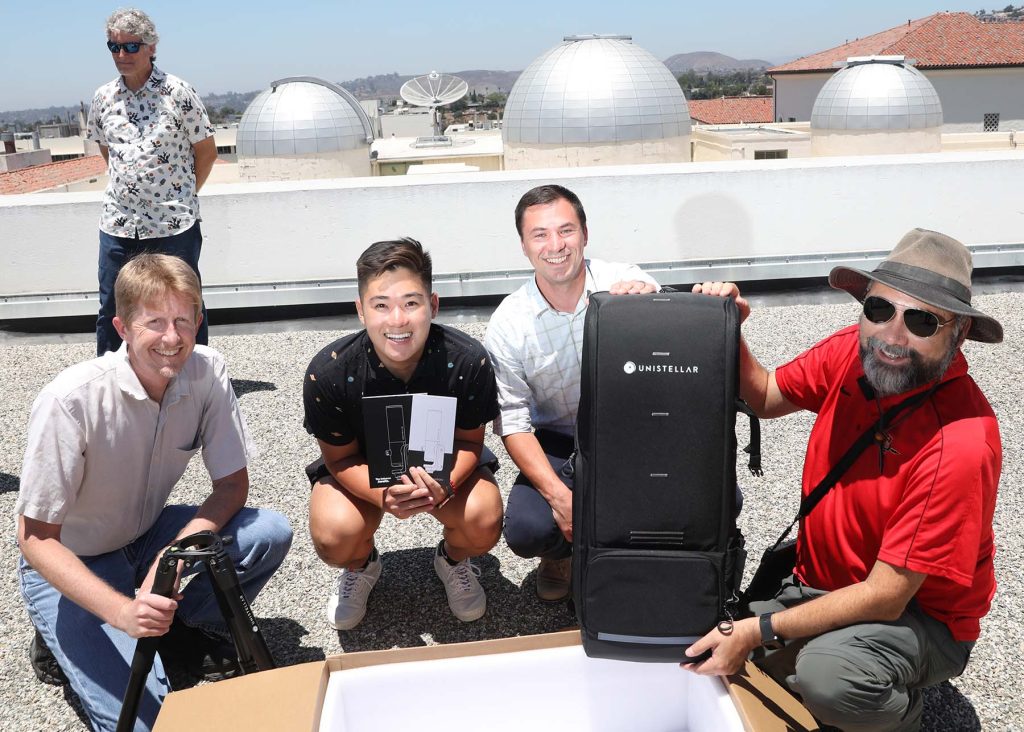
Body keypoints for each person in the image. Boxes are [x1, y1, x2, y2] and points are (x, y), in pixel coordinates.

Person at [683, 229, 1002, 732]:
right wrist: (729, 328)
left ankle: (900, 717)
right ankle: (823, 658)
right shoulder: (851, 355)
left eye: (921, 320)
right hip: (822, 584)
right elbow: (766, 396)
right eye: (879, 310)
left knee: (830, 679)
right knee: (704, 647)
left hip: (921, 616)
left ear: (958, 332)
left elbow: (886, 595)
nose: (893, 336)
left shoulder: (959, 443)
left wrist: (759, 629)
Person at [15, 253, 292, 731]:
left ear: (199, 320)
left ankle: (176, 629)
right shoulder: (70, 401)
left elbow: (231, 485)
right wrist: (123, 611)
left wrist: (175, 552)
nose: (172, 337)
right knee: (152, 722)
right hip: (74, 558)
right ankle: (63, 630)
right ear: (121, 327)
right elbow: (35, 537)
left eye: (184, 319)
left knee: (269, 532)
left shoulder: (208, 371)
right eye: (155, 322)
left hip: (147, 538)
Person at [304, 238, 503, 630]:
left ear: (434, 304)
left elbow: (469, 442)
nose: (397, 319)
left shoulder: (467, 361)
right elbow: (339, 458)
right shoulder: (327, 373)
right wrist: (383, 495)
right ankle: (362, 565)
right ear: (360, 310)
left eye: (411, 303)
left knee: (484, 518)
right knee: (334, 532)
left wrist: (441, 487)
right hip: (363, 470)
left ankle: (452, 559)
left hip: (442, 472)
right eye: (381, 305)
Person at [483, 184, 658, 602]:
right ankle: (560, 554)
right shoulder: (509, 323)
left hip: (633, 434)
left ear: (585, 234)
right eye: (540, 234)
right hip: (559, 440)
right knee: (529, 529)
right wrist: (560, 497)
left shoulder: (627, 282)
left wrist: (655, 306)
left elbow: (676, 354)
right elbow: (512, 418)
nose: (556, 245)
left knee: (719, 499)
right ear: (524, 245)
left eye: (566, 230)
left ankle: (652, 555)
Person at [88, 7, 218, 356]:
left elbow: (206, 152)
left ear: (151, 47)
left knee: (184, 308)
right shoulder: (103, 98)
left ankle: (193, 383)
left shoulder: (178, 94)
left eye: (131, 47)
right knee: (113, 309)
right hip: (118, 225)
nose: (121, 55)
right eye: (114, 47)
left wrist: (183, 196)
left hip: (172, 224)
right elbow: (109, 154)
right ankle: (114, 386)